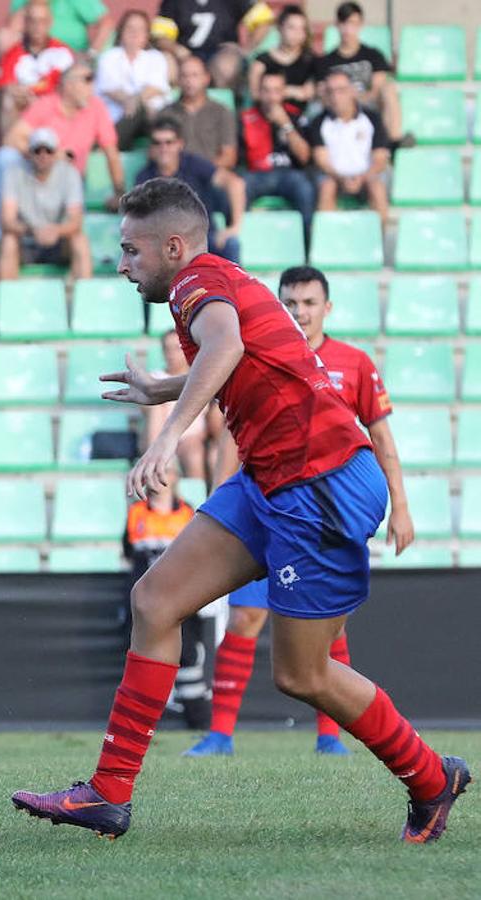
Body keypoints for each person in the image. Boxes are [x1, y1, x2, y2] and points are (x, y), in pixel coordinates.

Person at [11, 177, 469, 845]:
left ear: (171, 246)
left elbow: (225, 348)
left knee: (300, 674)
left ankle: (431, 779)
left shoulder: (194, 284)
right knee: (155, 600)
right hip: (272, 478)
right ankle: (105, 794)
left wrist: (167, 437)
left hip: (318, 486)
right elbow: (248, 353)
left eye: (130, 250)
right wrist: (163, 385)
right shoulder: (211, 278)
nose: (120, 264)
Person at [185, 264, 415, 758]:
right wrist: (221, 502)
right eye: (290, 302)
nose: (299, 312)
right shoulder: (263, 353)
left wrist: (401, 506)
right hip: (262, 501)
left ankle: (330, 737)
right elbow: (233, 431)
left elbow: (379, 438)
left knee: (327, 629)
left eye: (309, 303)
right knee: (246, 616)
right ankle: (220, 734)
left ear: (326, 308)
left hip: (320, 509)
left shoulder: (354, 363)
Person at [0, 62, 123, 238]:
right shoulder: (46, 104)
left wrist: (119, 192)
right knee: (5, 156)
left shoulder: (96, 107)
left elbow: (111, 153)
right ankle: (4, 227)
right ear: (68, 85)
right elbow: (11, 139)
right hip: (37, 177)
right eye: (87, 80)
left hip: (70, 181)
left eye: (93, 80)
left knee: (77, 234)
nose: (92, 86)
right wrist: (45, 155)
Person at [122, 467, 211, 731]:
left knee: (187, 657)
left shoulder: (188, 512)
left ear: (176, 478)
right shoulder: (136, 513)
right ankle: (138, 725)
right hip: (148, 598)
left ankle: (199, 723)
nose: (161, 477)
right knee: (143, 657)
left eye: (167, 471)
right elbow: (129, 552)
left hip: (182, 596)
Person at [135, 117, 245, 264]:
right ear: (151, 147)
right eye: (157, 143)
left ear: (180, 144)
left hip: (205, 240)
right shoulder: (145, 178)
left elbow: (235, 183)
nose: (163, 148)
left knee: (231, 243)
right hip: (170, 248)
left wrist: (234, 227)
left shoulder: (194, 164)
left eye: (169, 142)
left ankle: (238, 287)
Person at [0, 127, 89, 280]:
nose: (43, 155)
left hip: (58, 241)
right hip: (27, 240)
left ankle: (84, 299)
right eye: (37, 151)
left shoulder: (69, 173)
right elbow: (7, 221)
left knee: (79, 240)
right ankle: (10, 300)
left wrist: (56, 231)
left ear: (56, 153)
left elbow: (76, 221)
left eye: (48, 151)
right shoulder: (13, 173)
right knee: (8, 242)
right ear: (29, 153)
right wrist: (33, 231)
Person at [313, 2, 407, 148]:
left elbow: (377, 87)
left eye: (353, 24)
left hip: (368, 104)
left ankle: (393, 142)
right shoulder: (326, 61)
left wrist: (355, 99)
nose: (348, 29)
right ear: (337, 25)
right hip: (339, 107)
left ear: (361, 25)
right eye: (344, 23)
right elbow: (322, 92)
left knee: (389, 88)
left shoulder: (373, 55)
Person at [239, 71, 315, 248]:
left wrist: (286, 124)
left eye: (276, 91)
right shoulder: (245, 118)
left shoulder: (296, 116)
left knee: (304, 187)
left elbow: (304, 157)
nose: (272, 97)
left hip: (290, 175)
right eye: (266, 91)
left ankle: (307, 247)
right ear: (259, 92)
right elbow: (238, 159)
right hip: (256, 175)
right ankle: (245, 246)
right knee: (240, 186)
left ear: (283, 93)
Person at [307, 70, 390, 225]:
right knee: (327, 186)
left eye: (341, 90)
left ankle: (380, 243)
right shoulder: (318, 122)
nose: (335, 96)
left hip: (367, 176)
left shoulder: (372, 118)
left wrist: (362, 178)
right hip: (335, 177)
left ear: (352, 91)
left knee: (377, 187)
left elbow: (380, 159)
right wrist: (342, 178)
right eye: (331, 91)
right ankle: (327, 241)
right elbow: (321, 160)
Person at [145, 330, 225, 482]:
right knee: (154, 408)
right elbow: (146, 408)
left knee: (198, 452)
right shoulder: (156, 378)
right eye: (166, 349)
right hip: (166, 434)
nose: (171, 354)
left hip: (196, 437)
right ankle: (156, 457)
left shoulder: (203, 376)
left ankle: (202, 496)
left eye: (176, 348)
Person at [151, 0, 275, 91]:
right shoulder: (173, 2)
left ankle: (221, 105)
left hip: (220, 53)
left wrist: (247, 49)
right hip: (186, 55)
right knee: (165, 61)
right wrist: (176, 49)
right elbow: (161, 36)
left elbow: (263, 21)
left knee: (227, 65)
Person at [95, 9, 172, 151]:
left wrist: (135, 100)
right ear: (121, 31)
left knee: (153, 114)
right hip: (118, 117)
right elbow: (110, 89)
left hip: (152, 117)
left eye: (140, 29)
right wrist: (131, 101)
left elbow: (155, 88)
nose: (134, 33)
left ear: (147, 35)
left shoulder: (156, 57)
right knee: (137, 110)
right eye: (130, 28)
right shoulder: (109, 57)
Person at [0, 1, 75, 135]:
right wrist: (17, 91)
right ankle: (10, 150)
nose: (37, 27)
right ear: (25, 23)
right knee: (8, 100)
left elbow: (68, 88)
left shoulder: (62, 52)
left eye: (42, 21)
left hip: (54, 108)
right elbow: (5, 84)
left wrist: (41, 100)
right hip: (24, 107)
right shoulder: (13, 54)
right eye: (33, 21)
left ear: (50, 23)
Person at [161, 55, 237, 169]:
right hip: (176, 177)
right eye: (184, 76)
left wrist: (201, 171)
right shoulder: (166, 113)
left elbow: (229, 157)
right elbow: (156, 152)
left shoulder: (221, 112)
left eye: (194, 75)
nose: (189, 81)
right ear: (178, 80)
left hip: (210, 176)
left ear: (206, 78)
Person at [0, 0, 115, 58]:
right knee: (3, 36)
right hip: (34, 55)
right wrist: (32, 4)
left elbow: (106, 23)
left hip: (71, 55)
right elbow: (11, 31)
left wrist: (91, 54)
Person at [247, 4, 314, 105]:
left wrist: (273, 92)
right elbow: (255, 95)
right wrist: (293, 91)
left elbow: (308, 93)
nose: (297, 33)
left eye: (302, 29)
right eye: (291, 27)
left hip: (298, 117)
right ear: (280, 28)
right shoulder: (261, 61)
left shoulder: (311, 61)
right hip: (266, 114)